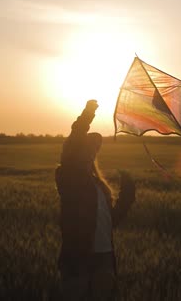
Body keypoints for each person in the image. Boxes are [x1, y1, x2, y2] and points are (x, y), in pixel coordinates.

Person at [55, 99, 136, 300]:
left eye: (94, 150)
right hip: (78, 257)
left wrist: (128, 192)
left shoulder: (99, 185)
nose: (91, 153)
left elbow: (111, 221)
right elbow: (73, 141)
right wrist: (88, 113)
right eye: (86, 149)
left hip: (105, 256)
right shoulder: (68, 178)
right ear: (75, 152)